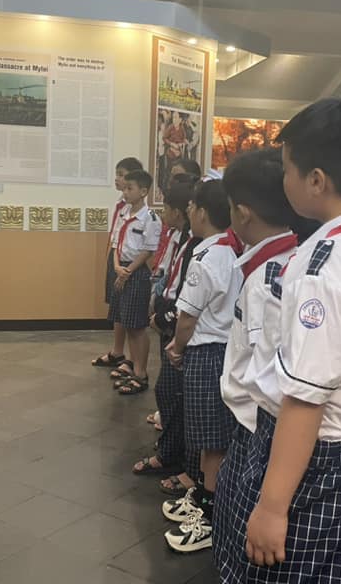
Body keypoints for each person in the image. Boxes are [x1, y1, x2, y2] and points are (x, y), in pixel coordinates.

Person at [224, 98, 341, 582]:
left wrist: (272, 506)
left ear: (315, 180)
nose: (283, 180)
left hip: (317, 457)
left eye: (287, 169)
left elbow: (306, 397)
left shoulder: (322, 266)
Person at [211, 149, 300, 569]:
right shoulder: (281, 263)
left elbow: (270, 376)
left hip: (258, 434)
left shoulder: (268, 280)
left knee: (241, 545)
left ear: (242, 212)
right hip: (257, 429)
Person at [163, 179, 241, 552]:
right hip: (227, 350)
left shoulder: (207, 257)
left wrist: (177, 347)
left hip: (208, 352)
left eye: (192, 206)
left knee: (212, 441)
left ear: (203, 213)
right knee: (212, 438)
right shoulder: (235, 250)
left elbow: (188, 318)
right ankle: (205, 500)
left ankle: (210, 516)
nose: (189, 211)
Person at [132, 175, 198, 479]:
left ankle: (173, 453)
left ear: (181, 211)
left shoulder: (197, 245)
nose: (163, 213)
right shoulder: (179, 237)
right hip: (167, 312)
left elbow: (186, 290)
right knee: (169, 390)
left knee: (172, 391)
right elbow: (168, 272)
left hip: (177, 321)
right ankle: (171, 447)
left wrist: (166, 317)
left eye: (168, 208)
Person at [108, 170, 161, 396]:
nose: (126, 192)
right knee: (126, 322)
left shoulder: (151, 218)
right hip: (121, 270)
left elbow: (148, 250)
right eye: (125, 188)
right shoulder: (124, 213)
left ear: (144, 191)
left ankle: (141, 372)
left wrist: (128, 270)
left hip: (136, 272)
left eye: (130, 188)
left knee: (138, 326)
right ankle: (133, 368)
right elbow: (115, 244)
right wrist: (116, 266)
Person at [92, 157, 144, 370]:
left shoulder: (138, 210)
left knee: (128, 311)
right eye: (117, 174)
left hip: (128, 263)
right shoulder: (120, 204)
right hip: (115, 257)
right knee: (116, 307)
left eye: (122, 175)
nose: (117, 179)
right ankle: (117, 351)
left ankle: (132, 359)